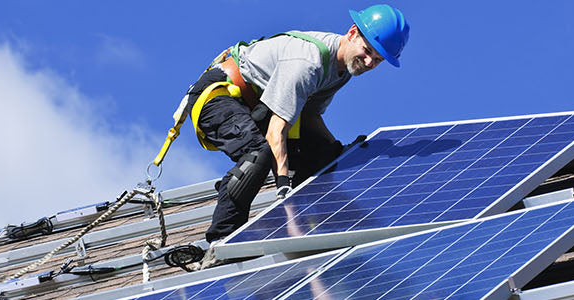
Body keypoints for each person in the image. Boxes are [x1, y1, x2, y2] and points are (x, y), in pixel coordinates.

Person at [172, 4, 410, 245]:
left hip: (258, 106)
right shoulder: (309, 63)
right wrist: (284, 193)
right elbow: (276, 133)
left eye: (377, 60)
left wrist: (337, 150)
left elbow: (309, 116)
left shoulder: (342, 71)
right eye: (367, 51)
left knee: (325, 155)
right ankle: (223, 239)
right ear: (351, 33)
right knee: (258, 155)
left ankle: (319, 225)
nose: (369, 62)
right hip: (220, 96)